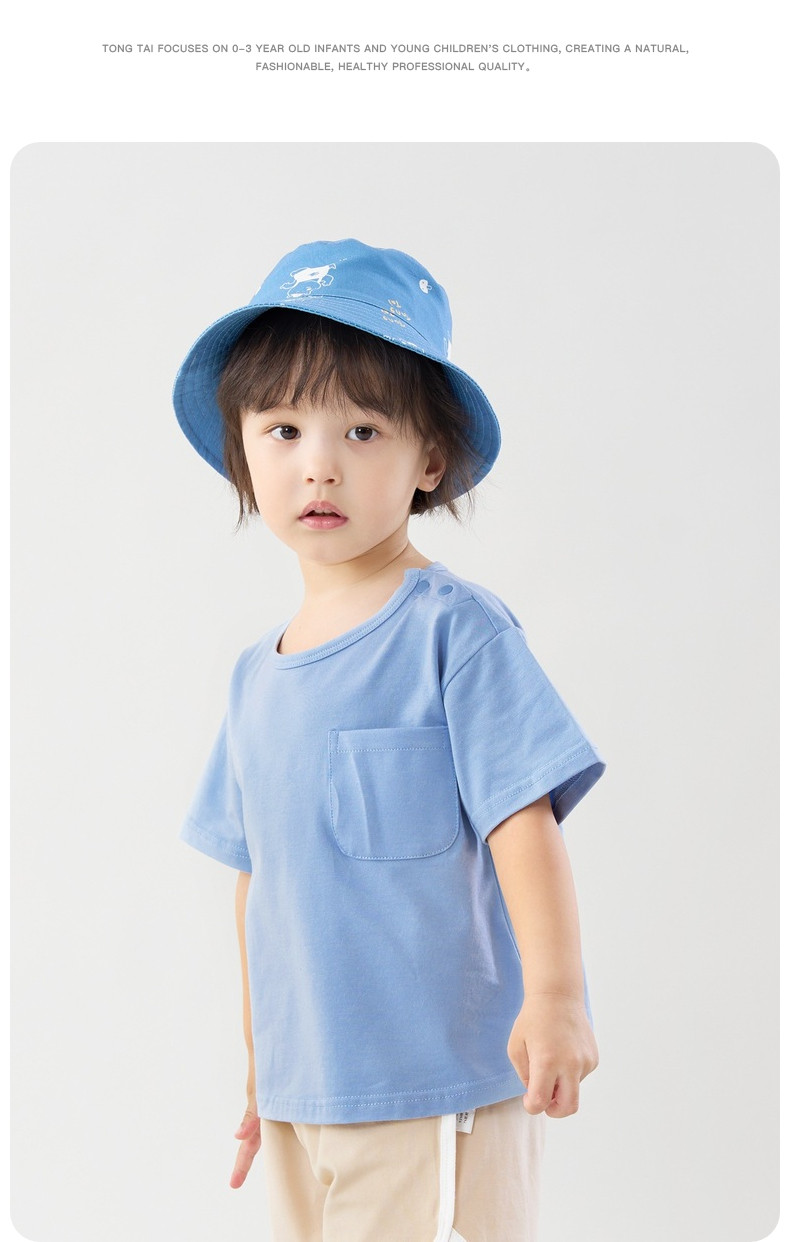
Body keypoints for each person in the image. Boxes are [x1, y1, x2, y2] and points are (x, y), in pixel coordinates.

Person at [173, 238, 605, 1241]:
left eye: (362, 431)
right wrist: (263, 1066)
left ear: (429, 461)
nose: (318, 463)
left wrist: (555, 996)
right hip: (307, 1093)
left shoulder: (454, 632)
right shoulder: (255, 676)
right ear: (245, 454)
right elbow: (258, 881)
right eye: (284, 430)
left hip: (435, 1087)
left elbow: (522, 820)